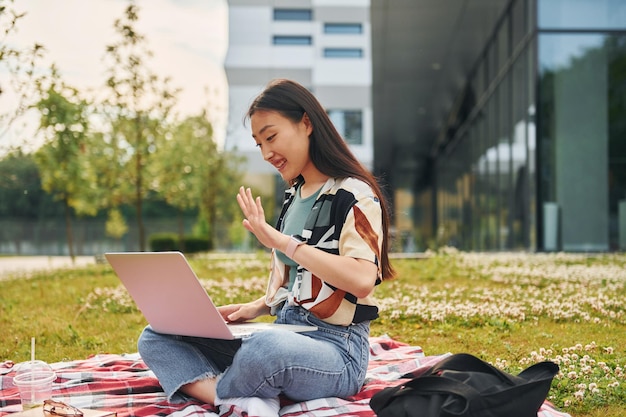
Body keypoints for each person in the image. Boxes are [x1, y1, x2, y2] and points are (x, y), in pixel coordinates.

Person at [137, 78, 395, 415]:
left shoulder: (354, 194)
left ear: (306, 123)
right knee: (158, 334)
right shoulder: (294, 196)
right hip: (286, 332)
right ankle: (236, 397)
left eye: (271, 137)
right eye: (259, 144)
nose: (267, 153)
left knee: (265, 348)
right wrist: (255, 307)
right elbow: (297, 284)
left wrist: (283, 242)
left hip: (338, 350)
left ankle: (227, 394)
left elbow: (362, 279)